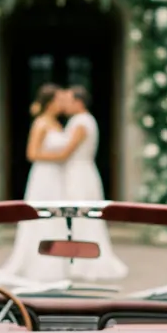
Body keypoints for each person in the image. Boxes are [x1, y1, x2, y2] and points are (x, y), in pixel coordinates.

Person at [36, 85, 128, 281]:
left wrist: (43, 160)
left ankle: (87, 264)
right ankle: (79, 261)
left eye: (68, 101)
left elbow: (66, 152)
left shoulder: (80, 122)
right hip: (77, 173)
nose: (65, 105)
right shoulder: (81, 120)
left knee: (83, 219)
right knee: (78, 220)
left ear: (78, 102)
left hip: (79, 175)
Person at [3, 82, 70, 281]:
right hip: (44, 176)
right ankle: (39, 264)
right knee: (42, 217)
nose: (62, 104)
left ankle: (57, 262)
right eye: (58, 100)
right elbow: (32, 153)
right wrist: (59, 158)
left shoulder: (57, 123)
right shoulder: (40, 123)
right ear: (50, 103)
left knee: (56, 218)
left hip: (57, 177)